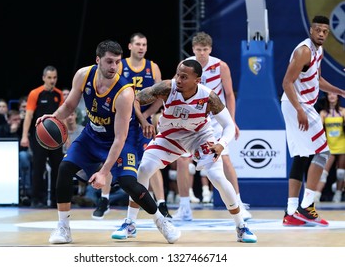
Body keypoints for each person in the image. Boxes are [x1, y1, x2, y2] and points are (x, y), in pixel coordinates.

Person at [43, 40, 180, 244]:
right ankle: (63, 228)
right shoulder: (83, 75)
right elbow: (69, 105)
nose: (113, 67)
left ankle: (161, 221)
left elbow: (119, 138)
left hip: (121, 139)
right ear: (98, 60)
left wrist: (103, 172)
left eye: (117, 62)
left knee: (128, 183)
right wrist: (51, 119)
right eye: (109, 61)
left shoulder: (124, 92)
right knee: (64, 168)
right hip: (91, 136)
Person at [113, 59, 257, 243]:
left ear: (197, 80)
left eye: (184, 77)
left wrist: (222, 143)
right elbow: (134, 99)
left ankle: (241, 226)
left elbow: (229, 125)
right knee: (144, 169)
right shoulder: (167, 88)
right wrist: (143, 120)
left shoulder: (209, 97)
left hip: (199, 137)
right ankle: (130, 223)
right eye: (178, 74)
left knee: (218, 178)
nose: (178, 79)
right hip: (170, 137)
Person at [174, 32, 252, 221]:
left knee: (225, 160)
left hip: (215, 120)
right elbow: (177, 90)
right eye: (199, 49)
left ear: (211, 49)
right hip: (191, 119)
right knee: (183, 161)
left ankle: (239, 205)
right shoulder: (185, 65)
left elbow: (229, 94)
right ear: (193, 49)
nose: (202, 53)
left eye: (205, 50)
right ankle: (184, 207)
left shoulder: (220, 66)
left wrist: (231, 121)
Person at [93, 33, 172, 219]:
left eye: (144, 44)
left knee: (152, 162)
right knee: (112, 157)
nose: (141, 47)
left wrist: (146, 116)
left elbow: (161, 97)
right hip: (124, 117)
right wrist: (141, 117)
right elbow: (126, 96)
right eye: (138, 44)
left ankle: (162, 203)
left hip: (145, 120)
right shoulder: (119, 65)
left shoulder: (153, 68)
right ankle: (104, 199)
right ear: (130, 46)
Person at [281, 15, 345, 226]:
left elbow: (317, 80)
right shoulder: (304, 51)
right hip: (298, 104)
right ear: (310, 30)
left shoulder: (319, 51)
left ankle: (291, 212)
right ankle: (307, 206)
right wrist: (299, 109)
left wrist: (339, 91)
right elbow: (287, 82)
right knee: (324, 152)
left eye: (325, 31)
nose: (321, 34)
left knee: (301, 156)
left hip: (300, 104)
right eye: (317, 30)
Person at [20, 65, 64, 208]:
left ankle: (56, 199)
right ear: (44, 78)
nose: (52, 80)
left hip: (56, 138)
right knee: (38, 167)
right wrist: (24, 136)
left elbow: (62, 117)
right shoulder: (35, 93)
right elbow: (29, 116)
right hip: (38, 136)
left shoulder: (59, 94)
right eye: (50, 77)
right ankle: (36, 199)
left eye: (55, 77)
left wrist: (66, 136)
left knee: (58, 167)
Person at [314, 92, 345, 203]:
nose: (332, 96)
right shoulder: (323, 113)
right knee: (323, 173)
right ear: (327, 97)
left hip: (342, 146)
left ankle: (338, 195)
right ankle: (316, 196)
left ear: (338, 97)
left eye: (334, 94)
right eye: (329, 94)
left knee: (341, 173)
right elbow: (318, 129)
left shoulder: (343, 112)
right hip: (329, 147)